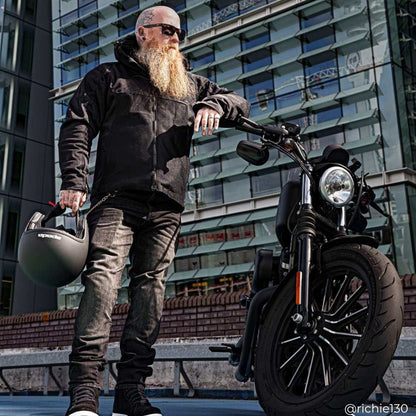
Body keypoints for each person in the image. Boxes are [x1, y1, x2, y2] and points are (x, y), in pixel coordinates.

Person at [58, 5, 250, 416]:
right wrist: (75, 181)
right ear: (144, 32)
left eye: (180, 33)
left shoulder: (188, 84)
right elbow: (77, 126)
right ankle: (85, 390)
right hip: (115, 202)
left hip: (166, 207)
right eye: (168, 31)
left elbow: (240, 101)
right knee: (103, 283)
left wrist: (215, 104)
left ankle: (131, 391)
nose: (177, 39)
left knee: (151, 292)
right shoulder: (108, 78)